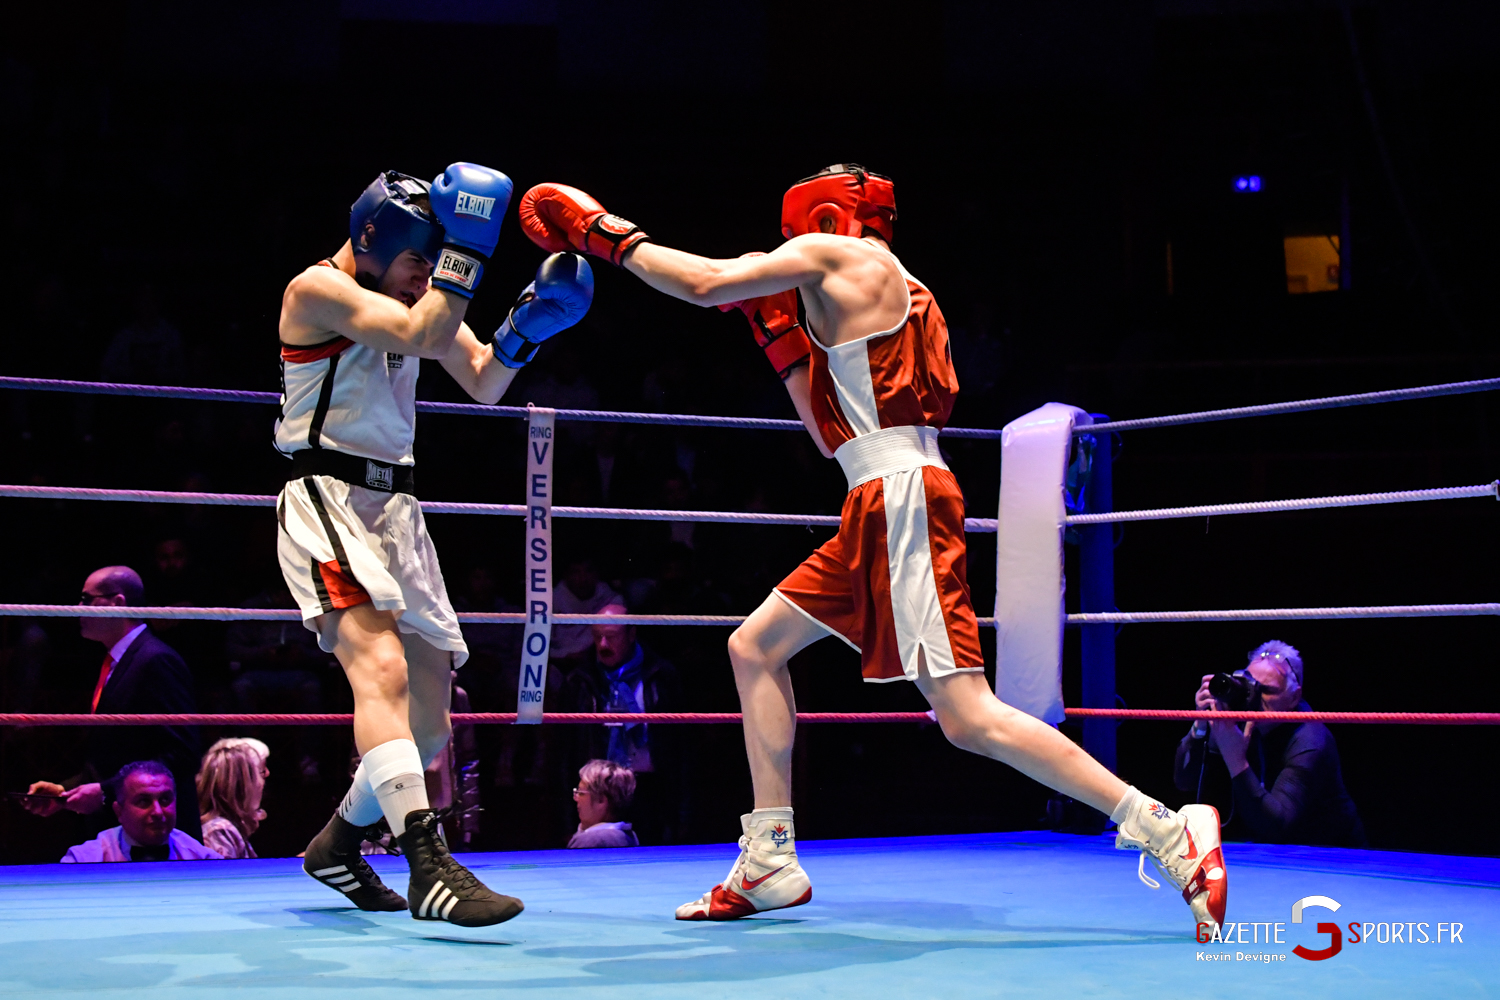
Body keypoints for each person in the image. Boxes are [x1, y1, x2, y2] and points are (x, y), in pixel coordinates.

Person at [519, 165, 1227, 932]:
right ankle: (770, 859)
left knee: (968, 717)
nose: (790, 244)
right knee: (754, 646)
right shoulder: (902, 287)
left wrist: (605, 234)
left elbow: (705, 282)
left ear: (824, 219)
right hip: (876, 496)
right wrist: (788, 351)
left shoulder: (844, 259)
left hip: (900, 499)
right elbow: (835, 437)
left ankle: (1166, 830)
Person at [277, 165, 593, 926]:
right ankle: (429, 864)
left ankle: (336, 846)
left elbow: (482, 380)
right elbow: (424, 333)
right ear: (371, 241)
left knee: (427, 722)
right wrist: (471, 251)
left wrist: (527, 326)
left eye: (433, 265)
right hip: (327, 499)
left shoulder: (411, 299)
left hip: (397, 511)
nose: (427, 278)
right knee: (378, 666)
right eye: (420, 261)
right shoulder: (316, 291)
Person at [25, 566, 202, 838]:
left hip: (154, 837)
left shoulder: (155, 660)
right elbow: (114, 756)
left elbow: (181, 755)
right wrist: (65, 791)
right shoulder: (119, 661)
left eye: (86, 600)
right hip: (121, 834)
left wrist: (105, 792)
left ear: (117, 603)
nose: (78, 608)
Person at [1175, 641, 1366, 848]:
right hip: (1273, 854)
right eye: (1249, 686)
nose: (1254, 697)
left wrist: (1235, 759)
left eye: (1266, 690)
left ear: (1294, 697)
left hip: (1333, 857)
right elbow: (1185, 781)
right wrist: (1199, 725)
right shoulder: (1238, 720)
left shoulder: (1311, 740)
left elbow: (1277, 827)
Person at [61, 761, 220, 863]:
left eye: (165, 800)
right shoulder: (82, 862)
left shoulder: (203, 860)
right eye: (144, 801)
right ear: (119, 811)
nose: (158, 812)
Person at [196, 738, 271, 860]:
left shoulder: (230, 826)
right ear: (242, 786)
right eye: (260, 772)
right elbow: (226, 878)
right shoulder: (219, 831)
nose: (263, 782)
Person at [567, 759, 639, 849]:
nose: (576, 798)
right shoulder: (628, 834)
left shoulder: (590, 841)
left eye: (581, 793)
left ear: (601, 800)